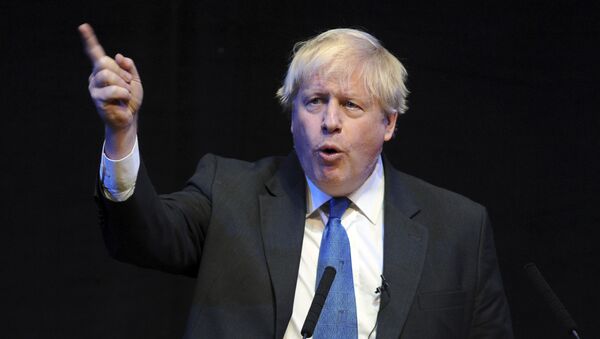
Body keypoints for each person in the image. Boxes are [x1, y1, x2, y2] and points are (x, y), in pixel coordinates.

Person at [79, 23, 513, 338]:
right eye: (315, 101)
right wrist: (122, 133)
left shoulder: (458, 228)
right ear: (292, 118)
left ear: (389, 123)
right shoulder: (230, 193)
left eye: (351, 106)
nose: (330, 122)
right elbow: (142, 237)